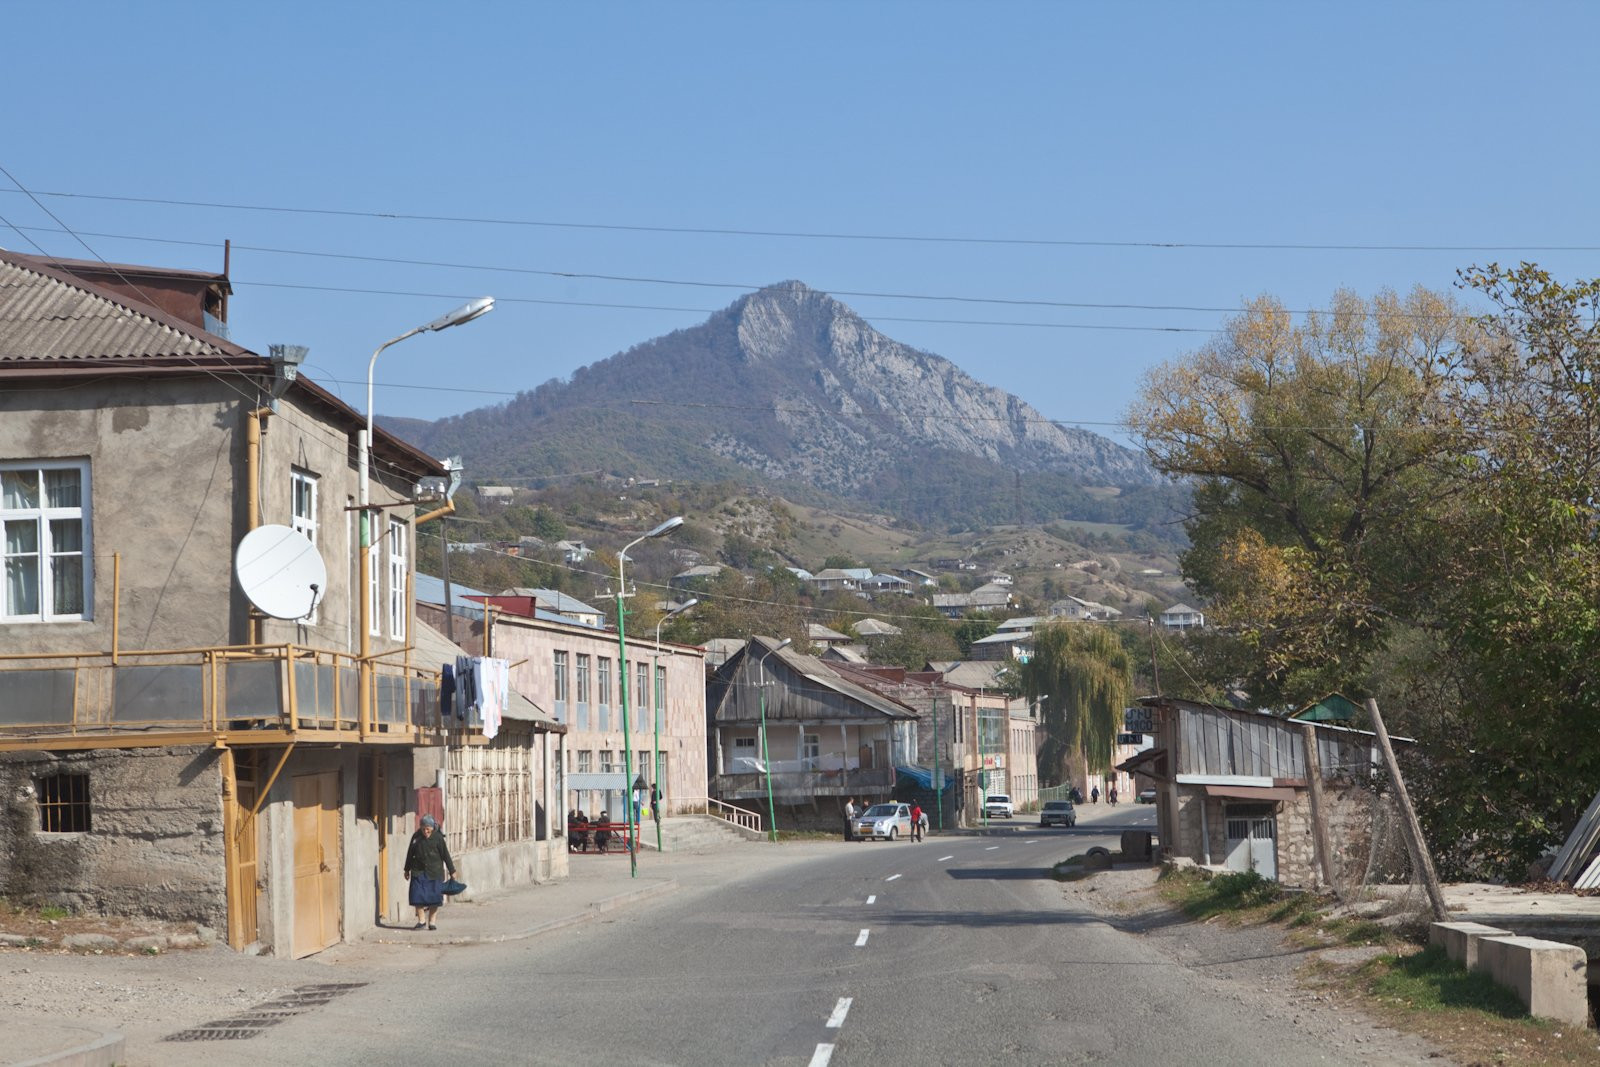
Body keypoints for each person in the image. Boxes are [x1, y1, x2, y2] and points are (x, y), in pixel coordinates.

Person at [403, 814, 457, 931]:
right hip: (418, 871)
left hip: (434, 872)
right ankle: (421, 921)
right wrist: (407, 869)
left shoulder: (438, 838)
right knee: (416, 895)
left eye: (428, 829)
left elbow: (445, 855)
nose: (425, 831)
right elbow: (409, 854)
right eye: (423, 828)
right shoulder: (416, 837)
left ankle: (432, 922)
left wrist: (452, 870)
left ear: (432, 828)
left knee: (434, 898)